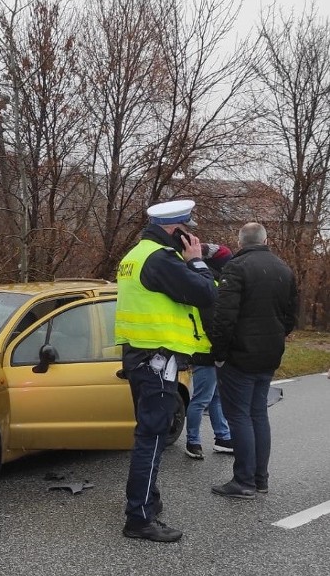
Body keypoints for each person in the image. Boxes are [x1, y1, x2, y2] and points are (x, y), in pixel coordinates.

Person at [115, 199, 217, 542]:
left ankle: (148, 501)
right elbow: (206, 293)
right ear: (177, 230)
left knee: (148, 433)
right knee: (153, 437)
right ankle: (139, 518)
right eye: (189, 233)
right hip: (157, 360)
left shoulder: (135, 255)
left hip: (139, 357)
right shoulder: (161, 259)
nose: (192, 239)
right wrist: (197, 261)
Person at [209, 222, 298, 498]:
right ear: (265, 239)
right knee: (258, 413)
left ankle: (243, 481)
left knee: (239, 416)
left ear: (240, 242)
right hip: (270, 353)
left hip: (239, 355)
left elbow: (224, 316)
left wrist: (219, 353)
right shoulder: (284, 269)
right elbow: (292, 316)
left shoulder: (235, 268)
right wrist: (275, 337)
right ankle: (260, 478)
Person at [184, 243, 234, 460]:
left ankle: (222, 437)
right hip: (206, 349)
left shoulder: (202, 280)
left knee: (215, 397)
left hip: (204, 347)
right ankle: (192, 441)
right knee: (202, 398)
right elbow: (212, 323)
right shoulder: (209, 285)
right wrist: (222, 350)